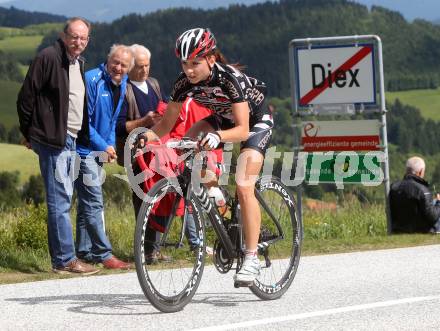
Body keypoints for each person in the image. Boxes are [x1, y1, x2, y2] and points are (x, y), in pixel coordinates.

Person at [141, 28, 274, 286]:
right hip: (221, 119)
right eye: (184, 63)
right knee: (185, 147)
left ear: (211, 59)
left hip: (254, 122)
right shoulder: (182, 83)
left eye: (195, 63)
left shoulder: (228, 79)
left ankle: (251, 257)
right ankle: (213, 190)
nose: (189, 70)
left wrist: (219, 137)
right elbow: (166, 126)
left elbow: (243, 129)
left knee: (244, 185)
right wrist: (146, 137)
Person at [16, 17, 99, 275]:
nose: (79, 42)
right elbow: (26, 97)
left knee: (64, 198)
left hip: (71, 138)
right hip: (54, 139)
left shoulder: (77, 62)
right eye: (74, 37)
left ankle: (63, 259)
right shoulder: (49, 57)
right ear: (64, 36)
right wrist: (29, 132)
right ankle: (65, 260)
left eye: (83, 38)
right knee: (60, 200)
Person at [74, 44, 133, 269]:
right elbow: (83, 123)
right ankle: (104, 254)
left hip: (96, 150)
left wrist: (108, 145)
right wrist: (102, 146)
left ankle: (84, 251)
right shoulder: (91, 80)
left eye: (123, 65)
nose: (118, 68)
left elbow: (111, 119)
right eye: (115, 62)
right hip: (82, 149)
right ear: (107, 60)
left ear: (129, 68)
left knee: (86, 205)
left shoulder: (122, 83)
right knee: (94, 202)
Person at [389, 156, 440, 233]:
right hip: (421, 230)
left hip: (399, 230)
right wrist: (438, 203)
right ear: (421, 171)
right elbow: (433, 217)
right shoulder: (423, 190)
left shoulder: (394, 187)